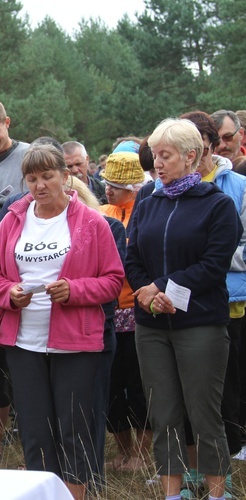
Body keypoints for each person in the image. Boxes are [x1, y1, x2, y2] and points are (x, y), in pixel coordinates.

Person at [0, 144, 124, 499]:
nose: (40, 185)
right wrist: (10, 292)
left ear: (65, 176)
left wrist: (74, 290)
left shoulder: (92, 222)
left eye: (47, 176)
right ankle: (44, 493)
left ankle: (76, 493)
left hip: (75, 341)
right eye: (32, 178)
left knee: (74, 426)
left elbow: (112, 280)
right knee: (34, 429)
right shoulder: (13, 218)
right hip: (23, 341)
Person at [125, 118, 241, 500]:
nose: (156, 163)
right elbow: (133, 255)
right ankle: (172, 495)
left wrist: (164, 287)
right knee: (164, 415)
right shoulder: (147, 200)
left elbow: (213, 264)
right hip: (151, 325)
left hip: (200, 325)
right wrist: (148, 293)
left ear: (191, 156)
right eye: (154, 155)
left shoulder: (218, 205)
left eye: (166, 155)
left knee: (204, 416)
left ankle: (218, 493)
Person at [98, 151, 152, 471]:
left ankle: (143, 455)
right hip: (107, 314)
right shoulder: (102, 212)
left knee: (139, 387)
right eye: (106, 183)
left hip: (137, 312)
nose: (109, 190)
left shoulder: (145, 210)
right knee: (112, 389)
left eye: (116, 185)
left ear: (133, 186)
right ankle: (123, 451)